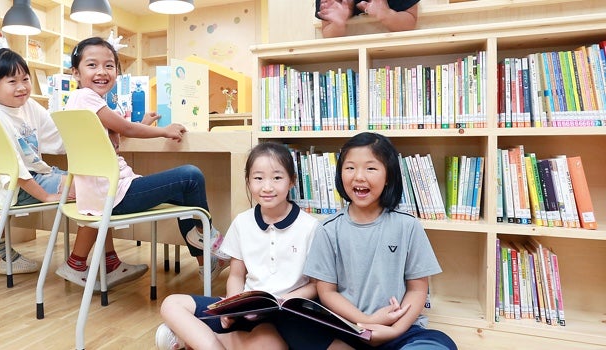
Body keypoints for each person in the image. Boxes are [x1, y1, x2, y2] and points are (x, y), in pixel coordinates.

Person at [54, 37, 229, 289]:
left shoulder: (78, 101)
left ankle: (205, 258)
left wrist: (144, 123)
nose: (102, 72)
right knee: (190, 177)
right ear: (75, 73)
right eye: (92, 65)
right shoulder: (86, 98)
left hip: (102, 192)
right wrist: (164, 131)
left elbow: (119, 130)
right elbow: (124, 127)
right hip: (115, 193)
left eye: (109, 66)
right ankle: (209, 246)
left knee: (184, 192)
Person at [156, 142, 324, 350]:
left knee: (268, 345)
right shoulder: (242, 222)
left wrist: (283, 301)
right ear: (248, 181)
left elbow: (316, 285)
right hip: (245, 308)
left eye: (277, 178)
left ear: (292, 181)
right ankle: (212, 344)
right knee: (171, 304)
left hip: (284, 315)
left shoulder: (310, 227)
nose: (267, 187)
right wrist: (231, 307)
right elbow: (236, 275)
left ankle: (192, 339)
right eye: (258, 178)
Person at [302, 132, 457, 349]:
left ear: (388, 178)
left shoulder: (407, 226)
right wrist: (367, 322)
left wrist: (394, 329)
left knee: (440, 344)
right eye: (350, 168)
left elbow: (417, 289)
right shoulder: (328, 229)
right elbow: (326, 292)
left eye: (371, 168)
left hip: (399, 328)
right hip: (349, 327)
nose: (359, 176)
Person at [0, 48, 73, 275]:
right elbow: (14, 167)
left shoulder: (28, 105)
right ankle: (81, 263)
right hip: (16, 186)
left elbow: (57, 138)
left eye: (26, 79)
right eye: (12, 81)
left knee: (93, 181)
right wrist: (46, 196)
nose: (22, 87)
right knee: (93, 187)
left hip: (35, 176)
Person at [317, 0, 420, 38]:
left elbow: (411, 21)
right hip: (351, 51)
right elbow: (326, 32)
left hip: (391, 44)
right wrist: (338, 24)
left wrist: (386, 15)